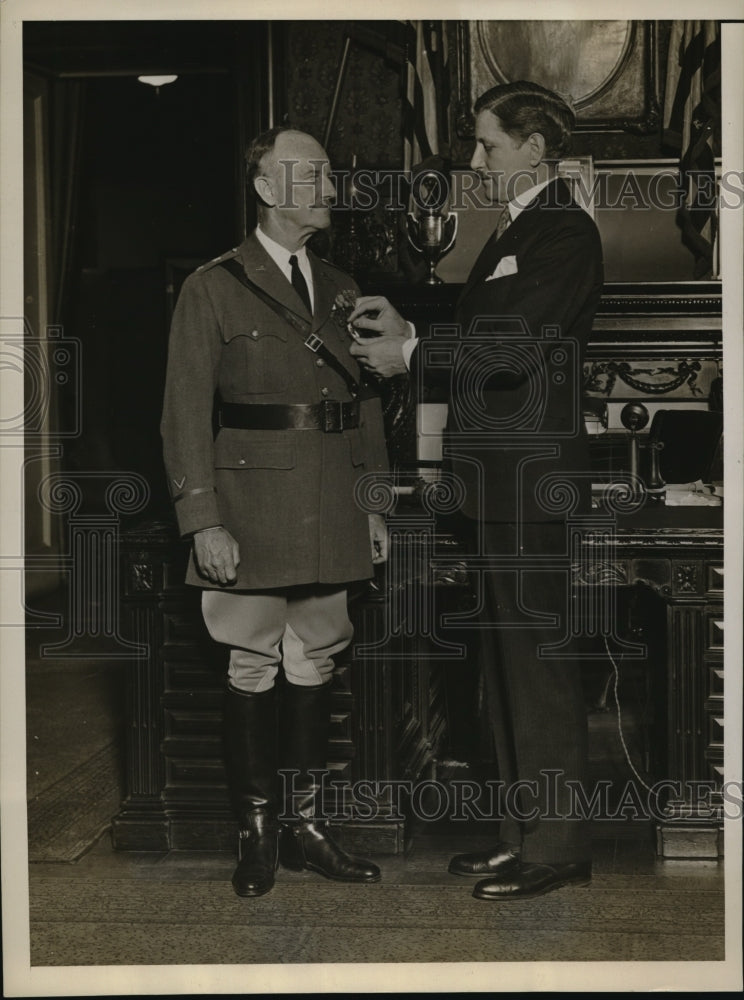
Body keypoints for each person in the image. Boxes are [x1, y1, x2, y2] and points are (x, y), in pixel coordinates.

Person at [348, 81, 604, 900]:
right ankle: (519, 835)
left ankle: (558, 844)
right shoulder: (517, 229)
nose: (475, 159)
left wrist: (416, 351)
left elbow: (512, 348)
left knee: (535, 662)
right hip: (498, 482)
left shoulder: (565, 229)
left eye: (488, 145)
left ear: (534, 148)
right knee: (502, 664)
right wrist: (408, 334)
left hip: (530, 484)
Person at [161, 125, 389, 898]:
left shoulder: (346, 287)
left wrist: (375, 506)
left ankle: (307, 828)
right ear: (266, 187)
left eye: (328, 173)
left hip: (331, 501)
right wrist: (203, 522)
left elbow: (367, 408)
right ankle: (255, 832)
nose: (330, 185)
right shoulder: (214, 285)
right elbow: (183, 414)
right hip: (249, 507)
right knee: (253, 666)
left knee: (316, 662)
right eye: (313, 173)